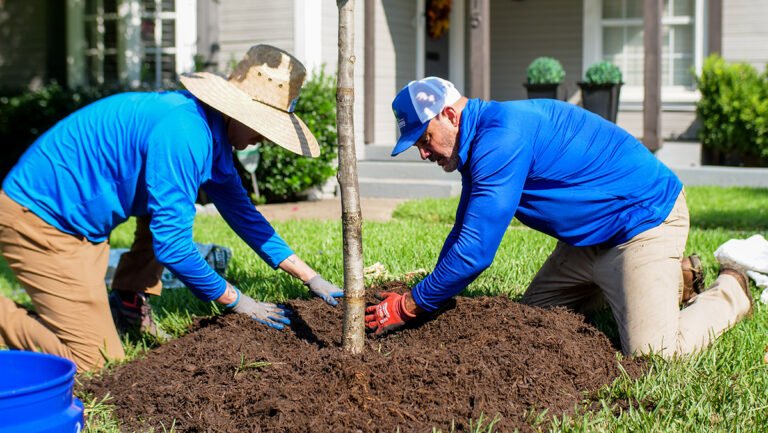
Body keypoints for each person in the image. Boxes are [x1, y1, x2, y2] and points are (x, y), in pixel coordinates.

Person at [0, 45, 343, 372]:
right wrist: (238, 301)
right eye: (264, 127)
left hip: (83, 227)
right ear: (237, 110)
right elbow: (174, 248)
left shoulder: (211, 133)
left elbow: (245, 216)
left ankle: (127, 303)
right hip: (40, 222)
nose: (265, 139)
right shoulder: (185, 133)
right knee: (95, 362)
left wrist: (311, 277)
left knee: (167, 211)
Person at [364, 76, 753, 358]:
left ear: (449, 114)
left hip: (644, 223)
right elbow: (464, 232)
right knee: (533, 324)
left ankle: (732, 289)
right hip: (589, 242)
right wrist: (429, 294)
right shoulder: (481, 138)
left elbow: (475, 254)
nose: (423, 153)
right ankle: (672, 279)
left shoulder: (501, 140)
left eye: (424, 139)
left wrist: (408, 306)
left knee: (656, 356)